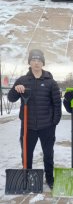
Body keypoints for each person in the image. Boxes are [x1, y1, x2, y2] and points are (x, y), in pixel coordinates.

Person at [7, 49, 62, 189]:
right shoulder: (22, 80)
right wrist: (15, 89)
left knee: (48, 154)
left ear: (42, 63)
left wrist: (54, 122)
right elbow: (11, 98)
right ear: (29, 62)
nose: (36, 63)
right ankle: (28, 177)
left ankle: (50, 178)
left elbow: (57, 104)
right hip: (28, 126)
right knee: (26, 153)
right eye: (33, 60)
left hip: (47, 126)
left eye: (39, 60)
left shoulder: (51, 82)